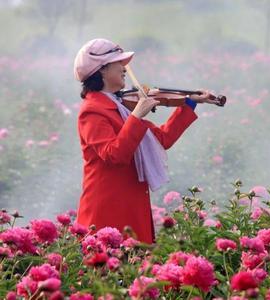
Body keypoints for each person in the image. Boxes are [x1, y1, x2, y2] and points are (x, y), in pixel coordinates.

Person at [73, 38, 218, 243]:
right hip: (107, 206)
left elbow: (163, 139)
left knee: (134, 266)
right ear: (102, 70)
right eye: (118, 63)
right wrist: (136, 116)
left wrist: (189, 103)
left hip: (130, 202)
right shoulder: (92, 110)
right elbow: (114, 154)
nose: (124, 68)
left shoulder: (119, 106)